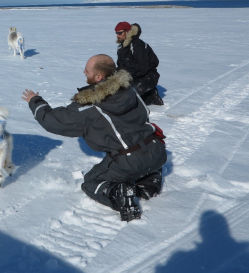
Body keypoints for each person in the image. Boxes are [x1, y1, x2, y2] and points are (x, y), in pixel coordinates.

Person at [22, 54, 167, 221]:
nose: (84, 71)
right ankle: (150, 179)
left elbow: (54, 122)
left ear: (99, 77)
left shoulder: (90, 106)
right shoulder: (130, 89)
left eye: (87, 70)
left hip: (130, 160)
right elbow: (145, 114)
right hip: (157, 149)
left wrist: (36, 102)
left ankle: (118, 194)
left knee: (91, 181)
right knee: (142, 158)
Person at [115, 21, 164, 105]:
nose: (117, 35)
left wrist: (126, 77)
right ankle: (146, 95)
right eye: (116, 33)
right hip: (132, 76)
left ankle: (151, 92)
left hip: (148, 76)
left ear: (127, 32)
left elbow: (142, 68)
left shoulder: (138, 45)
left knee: (127, 95)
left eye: (120, 33)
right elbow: (120, 65)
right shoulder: (121, 48)